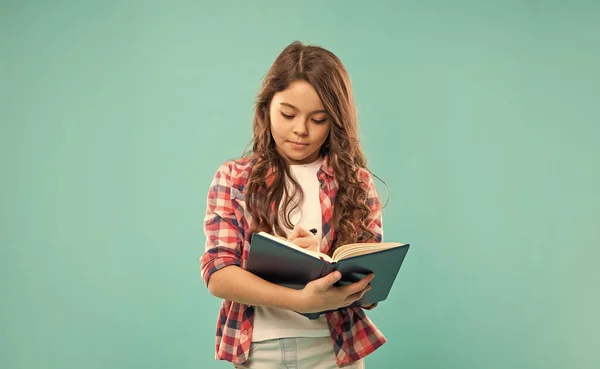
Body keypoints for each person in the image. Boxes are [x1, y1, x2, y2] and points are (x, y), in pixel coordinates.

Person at [200, 40, 387, 369]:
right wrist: (298, 296)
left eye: (318, 119)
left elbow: (369, 288)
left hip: (334, 350)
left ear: (335, 122)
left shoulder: (355, 183)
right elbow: (218, 274)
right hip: (259, 351)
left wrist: (320, 261)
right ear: (266, 107)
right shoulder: (234, 178)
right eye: (288, 114)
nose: (301, 130)